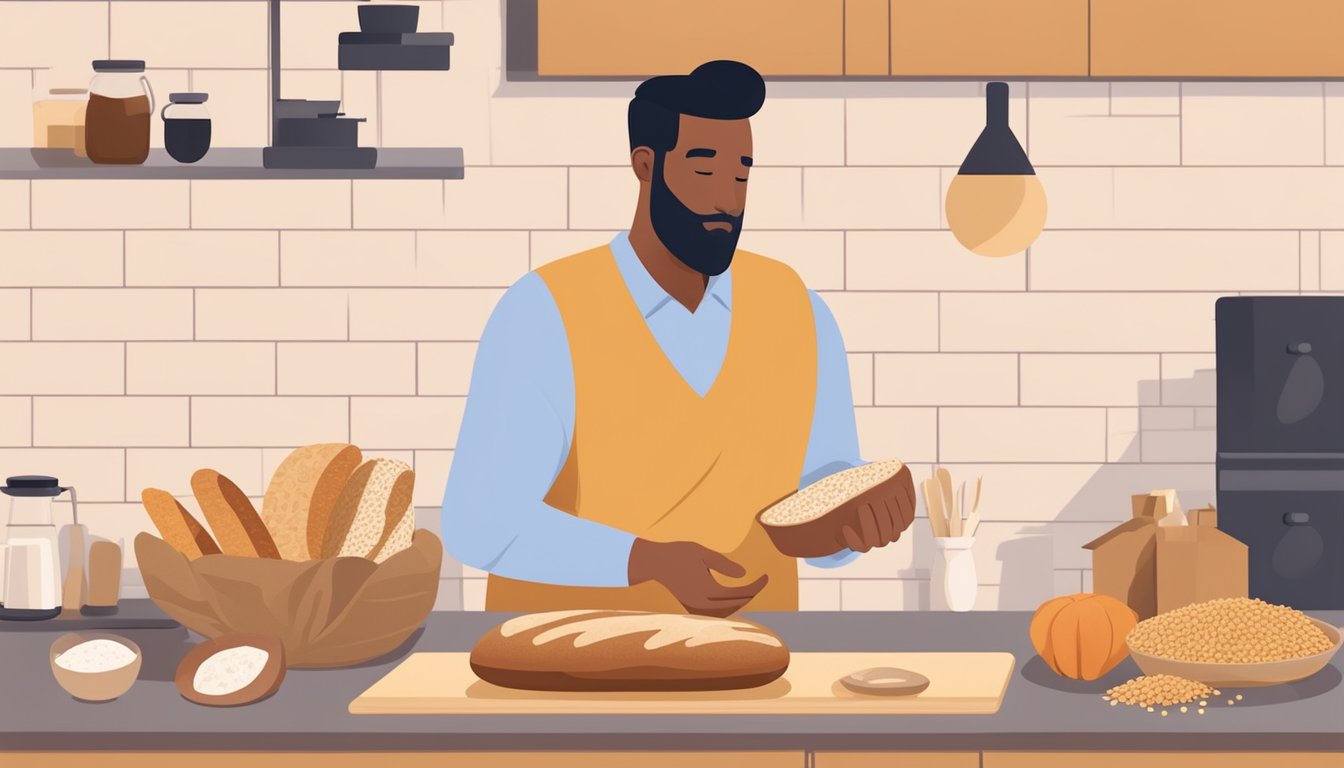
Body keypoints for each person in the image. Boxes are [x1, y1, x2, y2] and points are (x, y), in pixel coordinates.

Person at [442, 60, 915, 616]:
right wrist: (642, 560)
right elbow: (480, 521)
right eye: (704, 171)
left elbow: (816, 500)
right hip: (570, 673)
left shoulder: (800, 310)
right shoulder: (545, 312)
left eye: (742, 175)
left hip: (758, 668)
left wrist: (852, 525)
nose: (727, 200)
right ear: (646, 165)